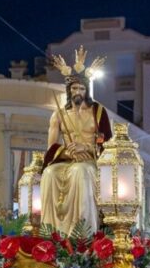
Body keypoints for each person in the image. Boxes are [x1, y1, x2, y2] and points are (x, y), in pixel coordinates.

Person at [40, 49, 112, 236]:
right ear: (68, 90)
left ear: (86, 90)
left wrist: (86, 147)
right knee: (49, 173)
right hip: (67, 159)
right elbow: (51, 148)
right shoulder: (58, 115)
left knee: (80, 172)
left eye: (81, 88)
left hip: (90, 161)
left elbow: (106, 141)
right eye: (74, 88)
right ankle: (52, 232)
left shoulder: (98, 112)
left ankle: (82, 234)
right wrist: (66, 152)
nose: (77, 92)